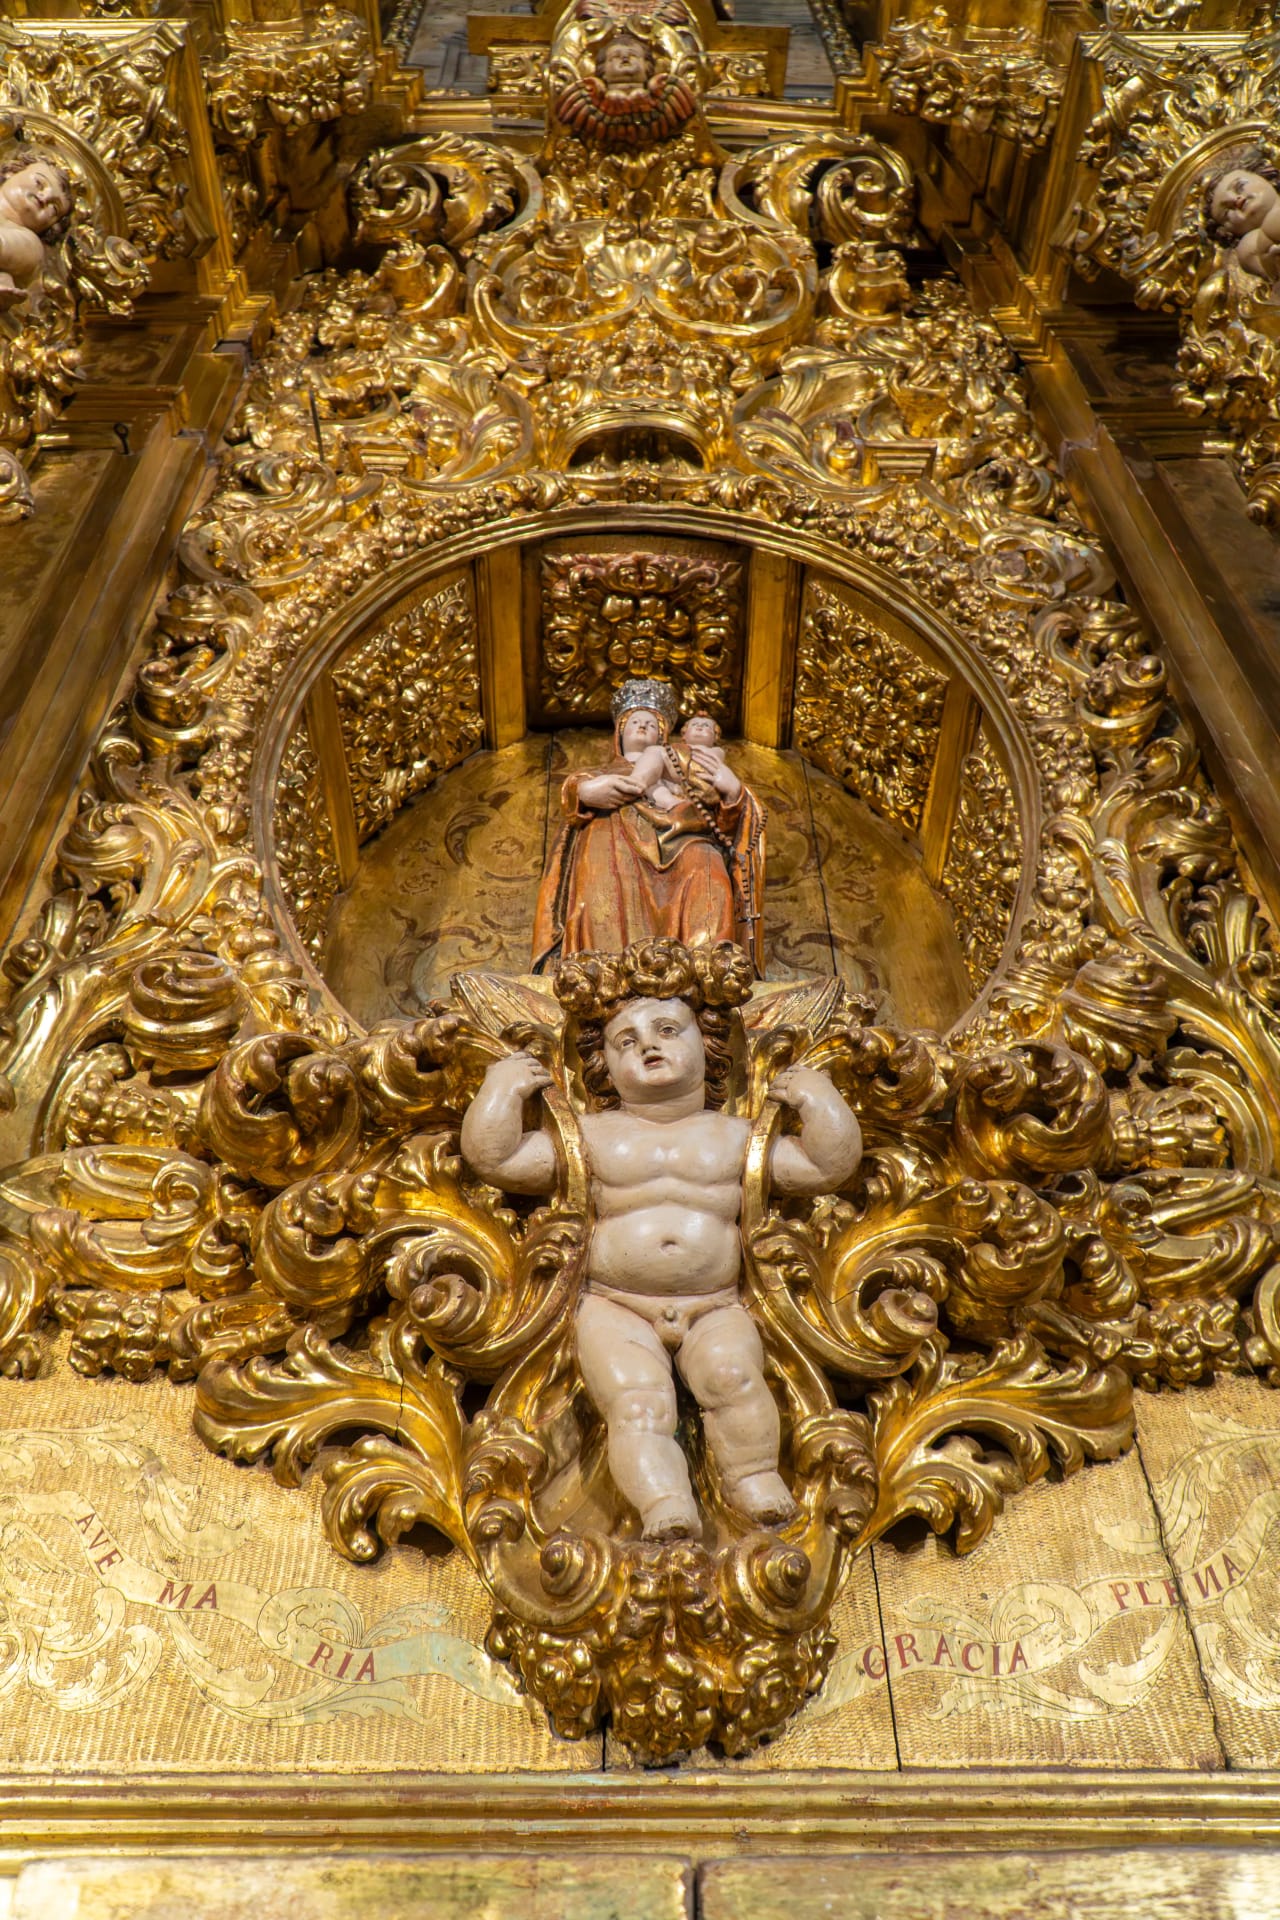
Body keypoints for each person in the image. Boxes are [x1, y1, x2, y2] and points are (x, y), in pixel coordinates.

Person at [460, 939, 863, 1540]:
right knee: (637, 1404)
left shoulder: (735, 1136)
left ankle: (752, 1476)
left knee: (734, 1380)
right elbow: (502, 1160)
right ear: (605, 1066)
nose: (647, 1044)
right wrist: (500, 1090)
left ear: (711, 1044)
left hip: (716, 1304)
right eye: (627, 1040)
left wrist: (820, 1101)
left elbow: (824, 1168)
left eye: (668, 1029)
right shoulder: (594, 1136)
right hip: (615, 1305)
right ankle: (664, 1504)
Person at [532, 678, 765, 973]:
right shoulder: (600, 774)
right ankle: (602, 971)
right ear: (619, 733)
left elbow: (729, 824)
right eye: (634, 722)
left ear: (664, 736)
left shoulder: (687, 773)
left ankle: (706, 972)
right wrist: (584, 792)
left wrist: (734, 794)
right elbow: (574, 792)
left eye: (651, 724)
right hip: (613, 841)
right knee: (603, 892)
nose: (642, 727)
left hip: (686, 839)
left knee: (710, 877)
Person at [0, 153, 73, 309]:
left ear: (51, 226)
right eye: (40, 183)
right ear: (12, 172)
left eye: (54, 208)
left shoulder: (30, 244)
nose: (44, 197)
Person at [1203, 158, 1280, 289]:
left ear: (1263, 176)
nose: (1236, 200)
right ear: (1228, 232)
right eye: (1227, 212)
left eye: (1240, 186)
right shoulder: (1251, 247)